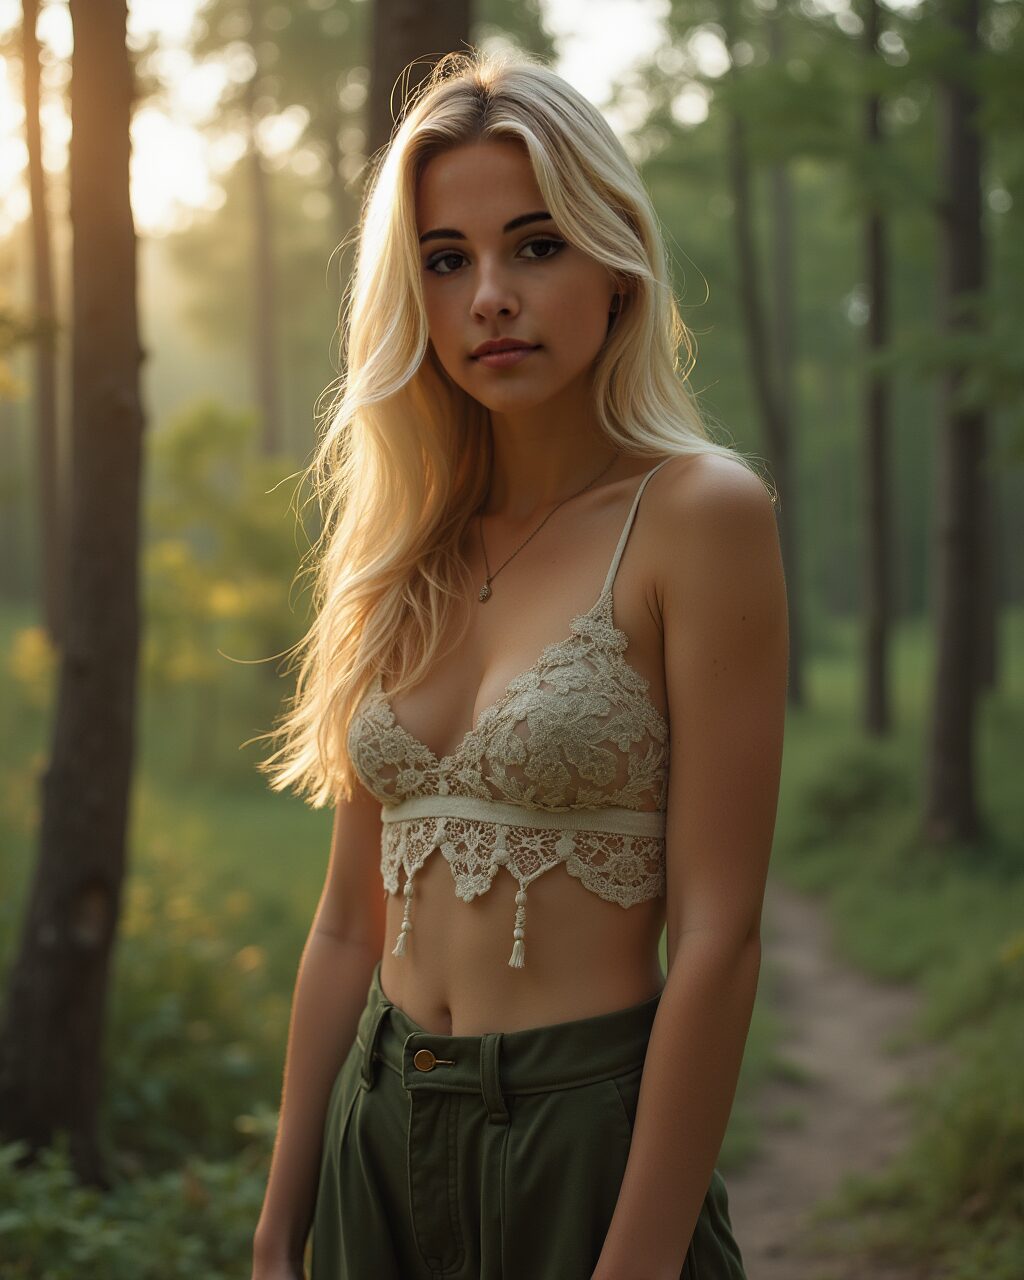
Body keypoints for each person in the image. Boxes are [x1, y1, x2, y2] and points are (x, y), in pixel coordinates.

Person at [249, 44, 788, 1280]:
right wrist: (281, 1224)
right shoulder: (403, 547)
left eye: (535, 245)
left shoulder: (697, 514)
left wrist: (636, 1261)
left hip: (578, 1138)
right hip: (377, 1128)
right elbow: (345, 923)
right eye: (447, 260)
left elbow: (718, 932)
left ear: (616, 266)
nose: (489, 293)